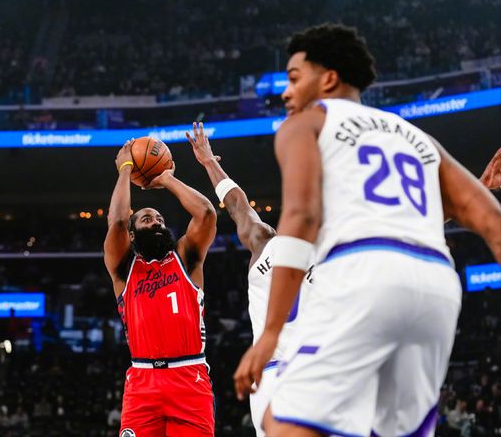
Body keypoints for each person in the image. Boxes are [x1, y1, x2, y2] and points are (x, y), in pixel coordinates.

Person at [233, 24, 501, 437]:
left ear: (328, 79)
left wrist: (269, 334)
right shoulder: (416, 137)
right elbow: (490, 220)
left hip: (363, 275)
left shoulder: (304, 125)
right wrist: (480, 187)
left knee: (280, 424)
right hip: (437, 287)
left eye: (294, 78)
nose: (286, 93)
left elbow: (301, 216)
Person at [186, 121, 308, 436]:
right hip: (317, 370)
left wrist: (210, 163)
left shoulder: (265, 242)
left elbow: (238, 206)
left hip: (270, 378)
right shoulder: (336, 256)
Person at [104, 139, 217, 436]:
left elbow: (206, 214)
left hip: (189, 377)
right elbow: (117, 221)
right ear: (132, 234)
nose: (156, 222)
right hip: (142, 380)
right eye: (146, 219)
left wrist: (166, 178)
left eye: (160, 219)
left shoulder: (186, 258)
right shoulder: (124, 269)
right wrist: (125, 169)